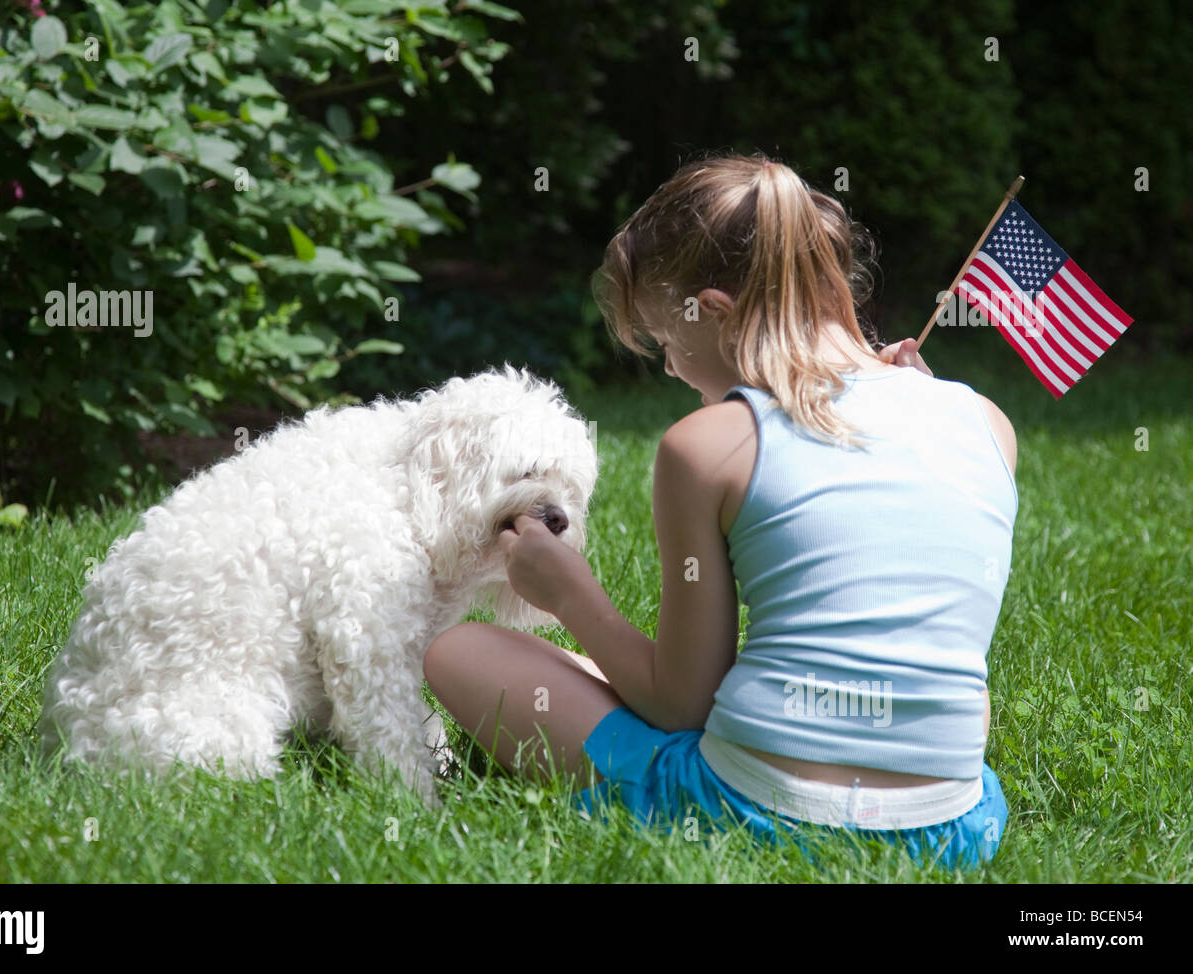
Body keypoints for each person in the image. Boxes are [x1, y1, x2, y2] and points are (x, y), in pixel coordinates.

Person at [422, 153, 1018, 870]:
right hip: (954, 830)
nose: (670, 368)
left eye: (669, 344)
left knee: (458, 651)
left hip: (752, 811)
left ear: (716, 312)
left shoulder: (706, 446)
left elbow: (682, 707)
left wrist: (568, 593)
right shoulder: (986, 422)